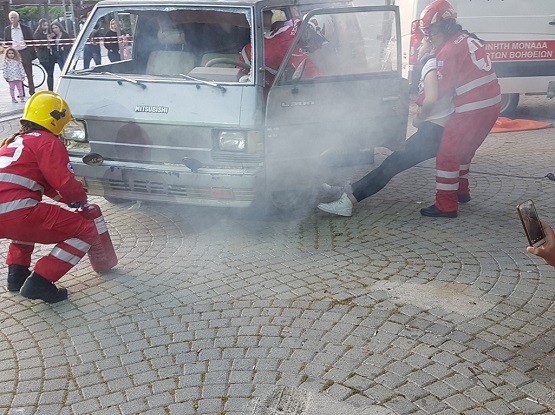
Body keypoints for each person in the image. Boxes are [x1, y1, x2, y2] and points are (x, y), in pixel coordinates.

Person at [317, 38, 453, 217]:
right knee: (391, 164)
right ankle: (348, 192)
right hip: (437, 129)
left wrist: (420, 118)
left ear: (432, 44)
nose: (418, 47)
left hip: (433, 131)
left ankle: (348, 202)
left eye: (422, 43)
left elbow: (431, 99)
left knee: (390, 165)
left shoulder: (430, 65)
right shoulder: (440, 64)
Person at [0, 91, 99, 303]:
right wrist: (79, 198)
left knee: (26, 223)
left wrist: (68, 198)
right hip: (15, 211)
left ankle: (16, 275)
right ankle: (41, 282)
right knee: (85, 231)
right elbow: (63, 182)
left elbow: (45, 186)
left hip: (7, 212)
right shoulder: (47, 142)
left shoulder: (14, 142)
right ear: (57, 121)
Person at [418, 0, 501, 218]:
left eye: (432, 32)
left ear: (445, 27)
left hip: (472, 108)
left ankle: (446, 205)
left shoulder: (448, 50)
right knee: (466, 150)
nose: (429, 38)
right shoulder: (468, 38)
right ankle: (462, 192)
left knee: (447, 153)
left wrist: (420, 104)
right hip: (492, 104)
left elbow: (440, 92)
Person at [239, 10, 321, 89]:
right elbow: (311, 72)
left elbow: (276, 25)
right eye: (318, 41)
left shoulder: (296, 23)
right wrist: (325, 83)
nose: (318, 46)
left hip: (266, 61)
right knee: (268, 97)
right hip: (251, 60)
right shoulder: (290, 43)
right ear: (310, 32)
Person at [3, 11, 36, 96]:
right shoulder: (7, 30)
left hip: (25, 51)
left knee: (29, 73)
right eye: (11, 18)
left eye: (15, 17)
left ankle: (32, 91)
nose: (13, 19)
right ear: (9, 19)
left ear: (18, 18)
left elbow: (31, 41)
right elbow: (7, 41)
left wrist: (30, 53)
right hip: (15, 53)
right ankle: (22, 93)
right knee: (18, 73)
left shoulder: (25, 28)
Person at [34, 18, 56, 91]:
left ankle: (51, 89)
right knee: (49, 72)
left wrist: (53, 37)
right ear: (40, 25)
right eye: (44, 25)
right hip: (43, 56)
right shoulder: (37, 34)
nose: (46, 27)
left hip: (51, 55)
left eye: (47, 25)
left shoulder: (50, 32)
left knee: (51, 74)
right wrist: (47, 40)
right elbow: (38, 46)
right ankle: (50, 90)